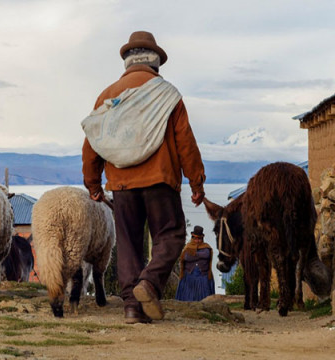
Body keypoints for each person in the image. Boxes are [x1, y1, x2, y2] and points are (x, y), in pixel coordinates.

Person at [82, 31, 206, 324]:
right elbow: (185, 142)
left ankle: (131, 308)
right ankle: (149, 283)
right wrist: (196, 182)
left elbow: (92, 142)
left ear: (127, 60)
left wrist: (93, 183)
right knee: (171, 235)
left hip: (122, 185)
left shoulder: (108, 95)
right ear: (155, 62)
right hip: (160, 181)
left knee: (128, 243)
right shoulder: (167, 94)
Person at [175, 226, 215, 301]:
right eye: (196, 238)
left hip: (203, 276)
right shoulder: (188, 247)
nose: (197, 241)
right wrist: (199, 255)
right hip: (189, 276)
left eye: (199, 239)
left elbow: (206, 255)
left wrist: (194, 254)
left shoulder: (206, 247)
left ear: (202, 239)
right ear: (192, 238)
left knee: (204, 299)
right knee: (188, 298)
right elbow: (186, 257)